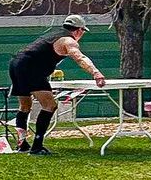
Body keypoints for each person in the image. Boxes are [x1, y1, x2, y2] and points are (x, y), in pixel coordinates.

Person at [8, 17, 106, 154]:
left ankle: (22, 144)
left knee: (25, 106)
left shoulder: (53, 35)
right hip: (31, 68)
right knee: (50, 105)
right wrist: (96, 73)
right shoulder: (68, 41)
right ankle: (37, 146)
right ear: (79, 30)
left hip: (16, 63)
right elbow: (80, 58)